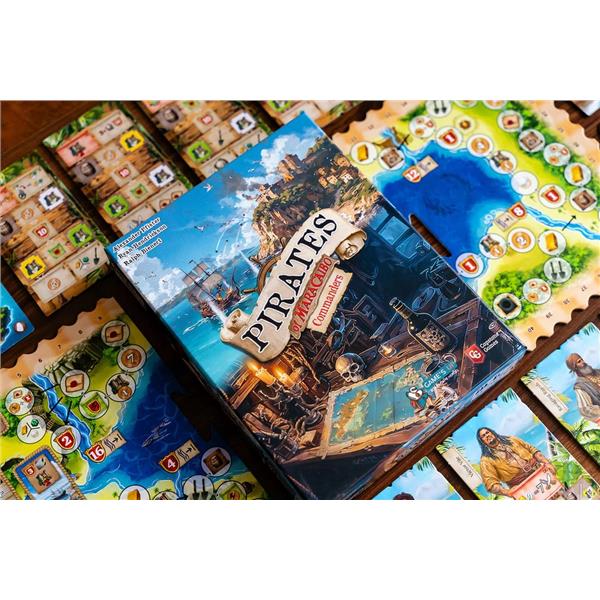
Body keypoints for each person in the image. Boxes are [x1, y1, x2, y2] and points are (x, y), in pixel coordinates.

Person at [477, 428, 556, 497]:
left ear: (492, 432)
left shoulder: (512, 439)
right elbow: (490, 484)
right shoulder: (485, 461)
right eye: (483, 436)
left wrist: (547, 463)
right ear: (482, 441)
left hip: (540, 472)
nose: (487, 435)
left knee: (557, 492)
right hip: (522, 487)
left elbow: (531, 449)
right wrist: (507, 492)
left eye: (487, 432)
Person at [566, 353, 600, 423]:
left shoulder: (598, 372)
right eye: (579, 361)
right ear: (575, 367)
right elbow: (585, 409)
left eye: (582, 360)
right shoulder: (580, 386)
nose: (583, 362)